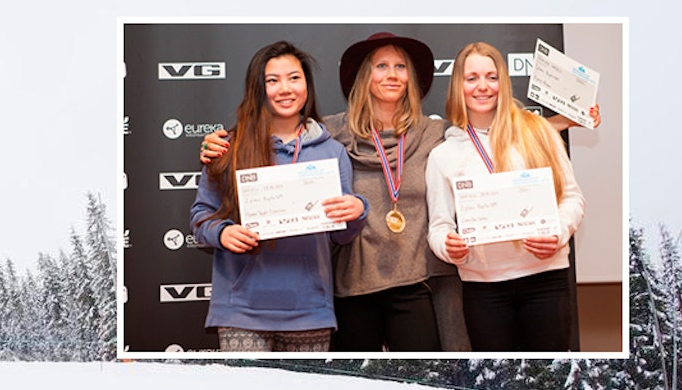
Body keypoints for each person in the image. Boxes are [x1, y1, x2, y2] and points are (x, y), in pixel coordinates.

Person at [202, 33, 599, 352]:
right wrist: (217, 143)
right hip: (353, 286)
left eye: (399, 67)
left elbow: (490, 131)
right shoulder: (331, 135)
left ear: (411, 77)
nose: (391, 74)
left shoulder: (436, 133)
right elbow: (280, 129)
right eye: (381, 66)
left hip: (415, 287)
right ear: (365, 77)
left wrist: (556, 123)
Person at [190, 41, 367, 353]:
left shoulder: (332, 152)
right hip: (241, 311)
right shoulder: (227, 146)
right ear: (258, 88)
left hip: (310, 309)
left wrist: (357, 211)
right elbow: (201, 217)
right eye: (272, 80)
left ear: (307, 85)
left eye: (294, 78)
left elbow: (342, 235)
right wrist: (223, 232)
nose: (285, 89)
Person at [425, 42, 585, 351]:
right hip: (483, 289)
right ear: (458, 84)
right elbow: (439, 227)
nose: (482, 87)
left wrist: (559, 231)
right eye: (471, 78)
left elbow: (573, 198)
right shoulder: (442, 155)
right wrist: (448, 246)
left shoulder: (539, 131)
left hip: (546, 280)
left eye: (491, 77)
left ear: (503, 82)